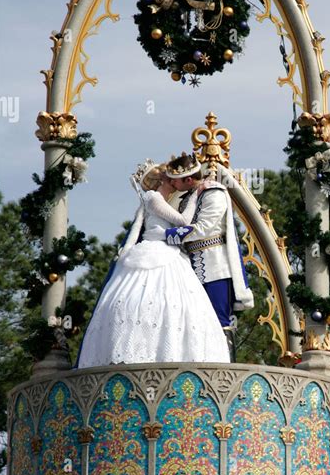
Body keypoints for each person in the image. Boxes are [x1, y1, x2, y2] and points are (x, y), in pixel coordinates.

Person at [75, 160, 230, 367]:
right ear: (162, 179)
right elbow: (184, 222)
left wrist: (170, 230)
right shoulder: (153, 197)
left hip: (173, 252)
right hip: (155, 252)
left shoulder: (168, 200)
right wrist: (194, 195)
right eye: (169, 176)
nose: (173, 180)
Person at [155, 152, 254, 362]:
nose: (173, 185)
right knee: (194, 322)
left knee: (220, 321)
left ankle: (226, 372)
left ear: (189, 179)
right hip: (190, 269)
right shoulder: (188, 198)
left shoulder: (214, 193)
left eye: (175, 181)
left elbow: (203, 228)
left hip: (215, 267)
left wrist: (166, 236)